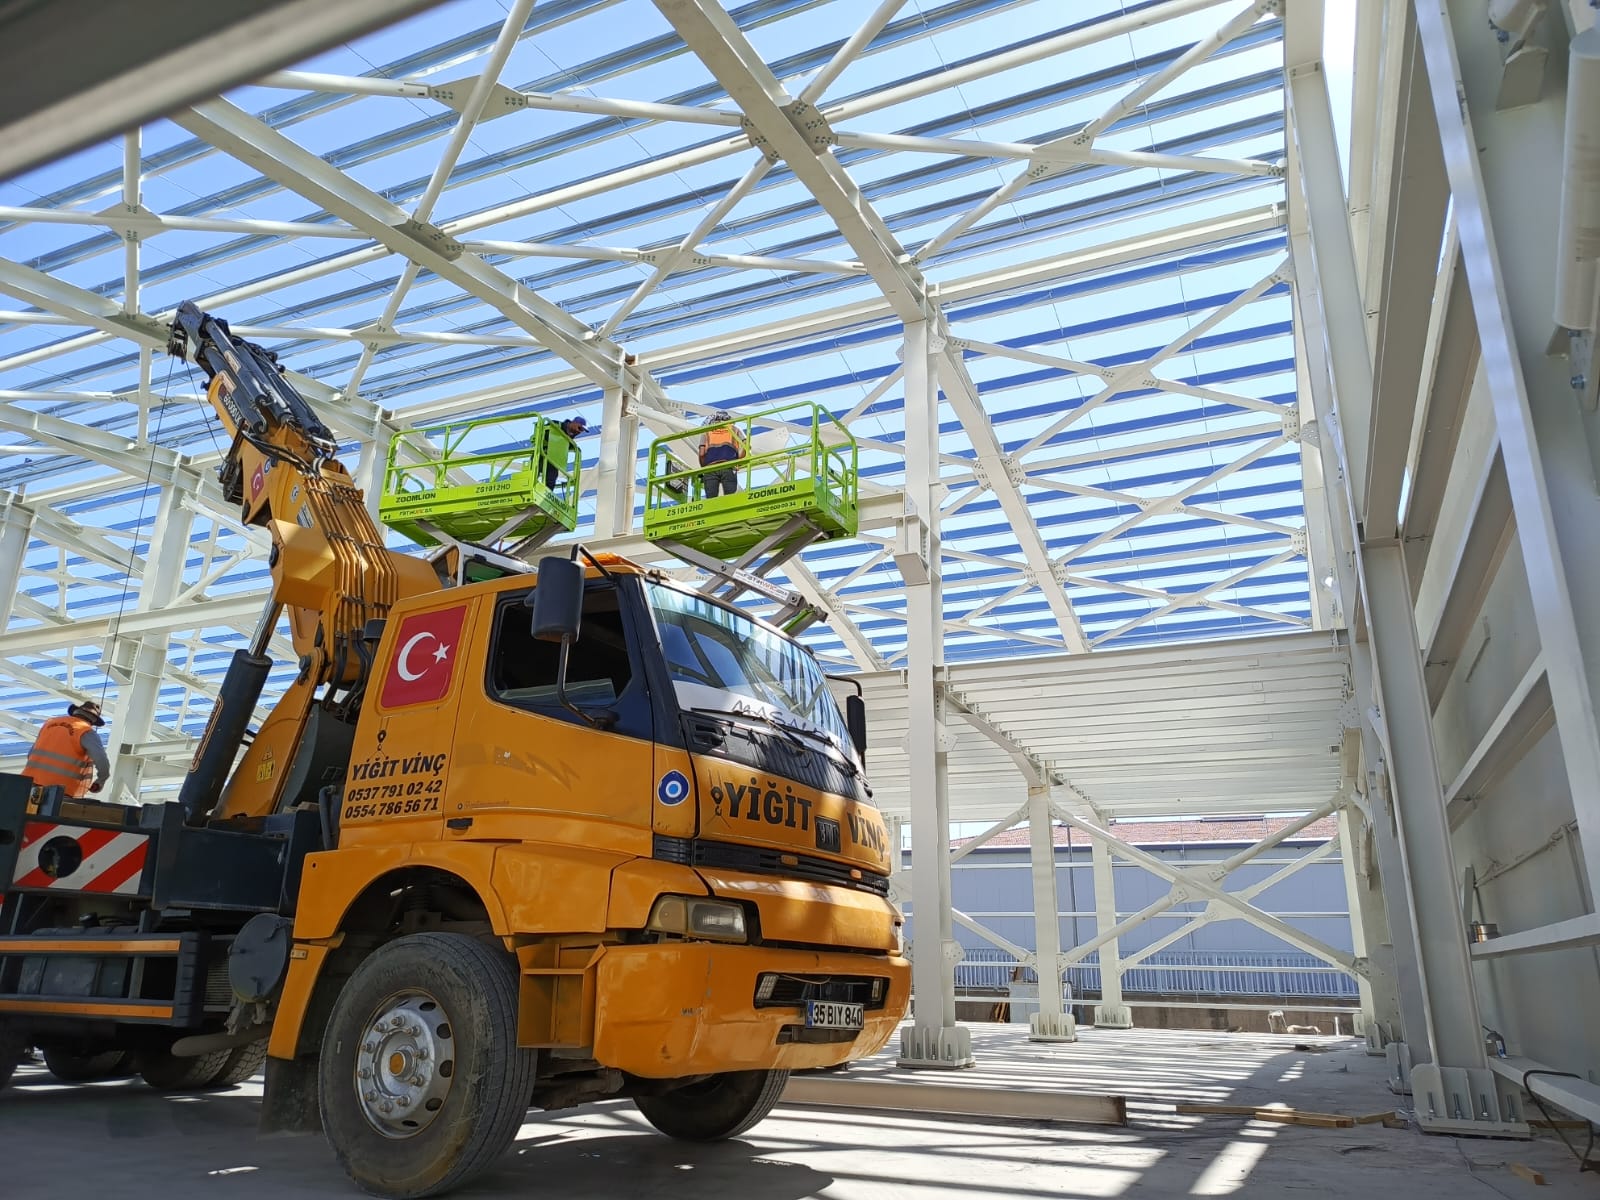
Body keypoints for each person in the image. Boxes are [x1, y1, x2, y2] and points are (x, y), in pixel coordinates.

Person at [23, 700, 110, 799]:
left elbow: (31, 754)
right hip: (57, 791)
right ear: (93, 720)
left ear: (76, 711)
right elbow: (101, 759)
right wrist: (101, 780)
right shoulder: (86, 731)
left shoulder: (49, 724)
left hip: (28, 783)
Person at [696, 410, 746, 499]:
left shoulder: (707, 431)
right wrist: (738, 461)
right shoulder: (734, 428)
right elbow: (746, 444)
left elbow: (701, 453)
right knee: (730, 499)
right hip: (729, 466)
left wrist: (704, 468)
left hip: (710, 468)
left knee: (711, 501)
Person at [542, 416, 588, 490]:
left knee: (551, 481)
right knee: (534, 472)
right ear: (573, 423)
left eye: (581, 431)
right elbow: (543, 434)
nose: (579, 432)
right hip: (541, 454)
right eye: (579, 428)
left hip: (553, 460)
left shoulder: (570, 441)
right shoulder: (556, 425)